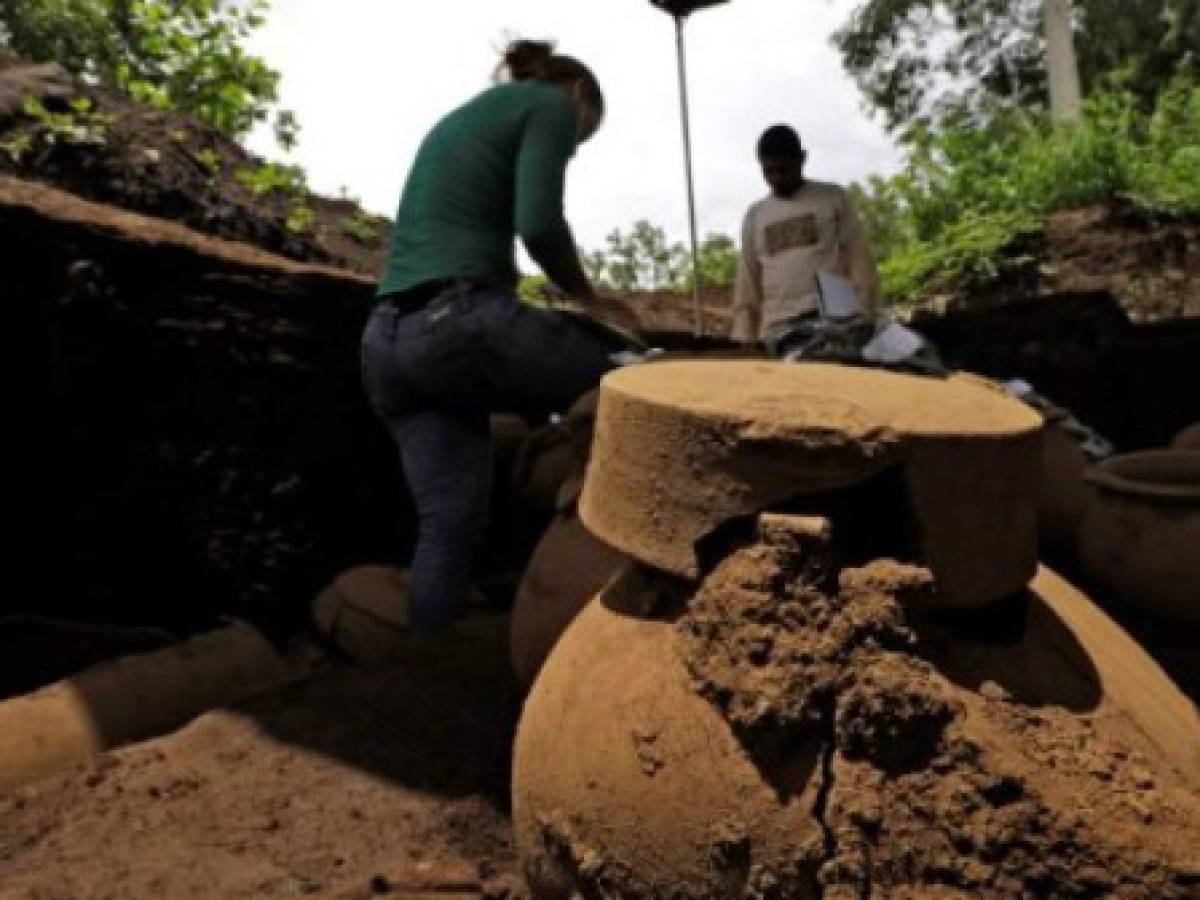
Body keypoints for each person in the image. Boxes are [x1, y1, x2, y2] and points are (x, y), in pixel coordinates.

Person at [361, 40, 626, 633]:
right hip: (454, 323)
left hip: (386, 343)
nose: (573, 147)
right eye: (582, 138)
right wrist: (590, 298)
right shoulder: (549, 104)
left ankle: (421, 676)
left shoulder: (472, 115)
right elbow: (539, 223)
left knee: (448, 524)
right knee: (632, 376)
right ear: (580, 94)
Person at [730, 124, 880, 347]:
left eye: (784, 170)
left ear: (802, 159)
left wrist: (865, 318)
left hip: (833, 326)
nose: (777, 178)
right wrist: (744, 338)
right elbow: (747, 284)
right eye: (769, 172)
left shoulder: (832, 199)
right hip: (777, 331)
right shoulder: (755, 217)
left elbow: (860, 263)